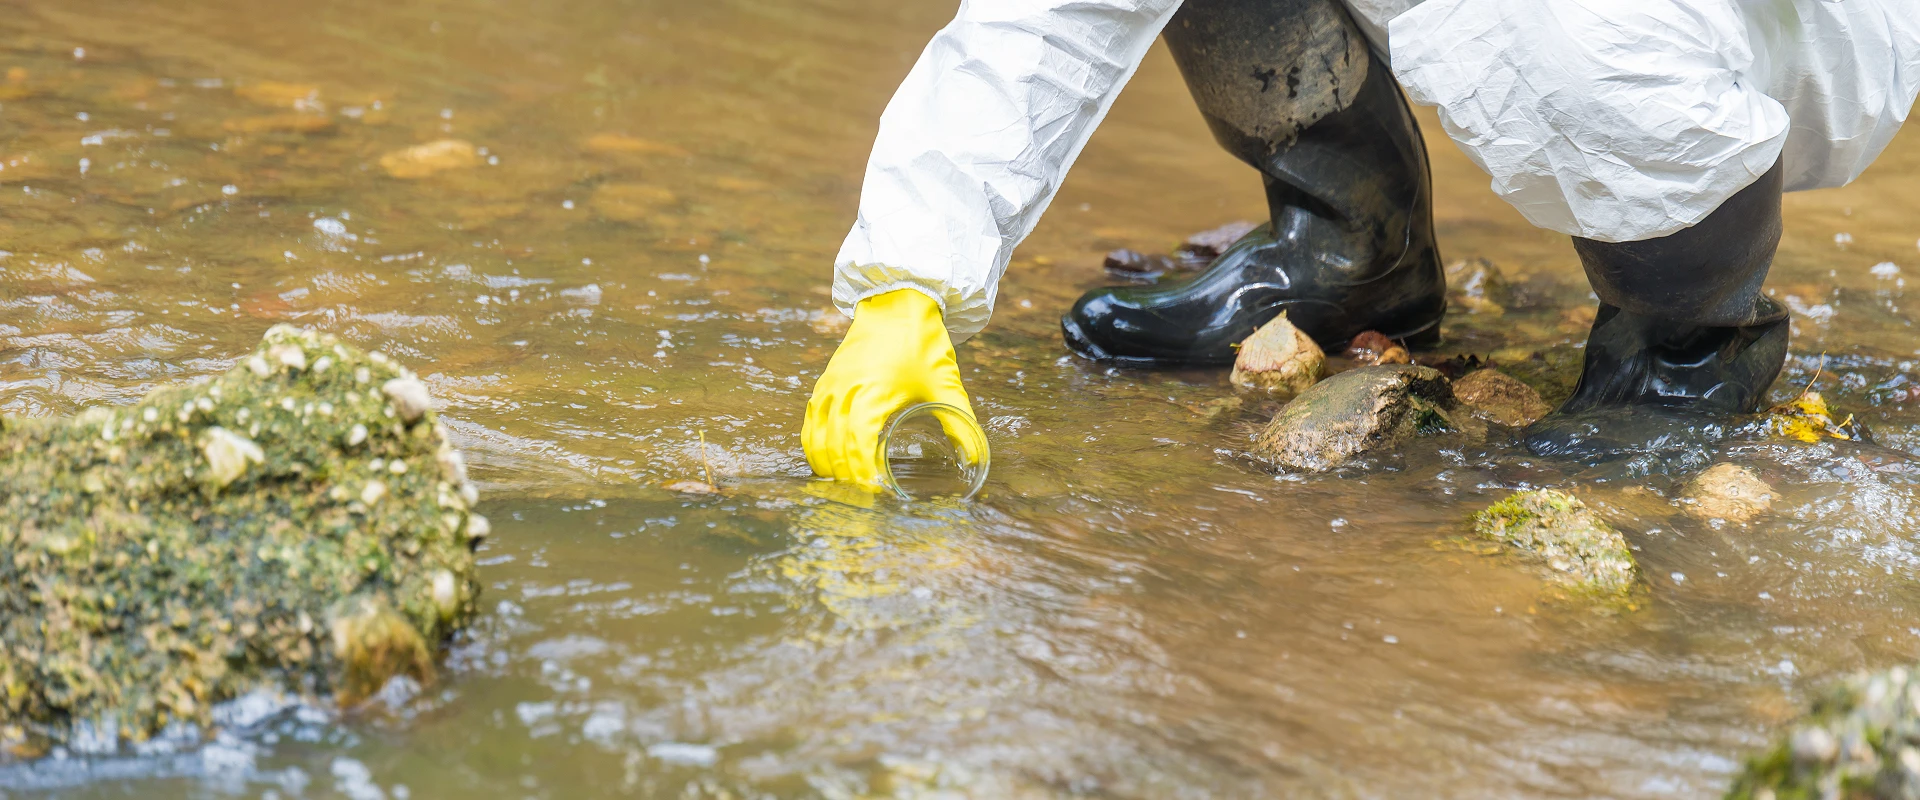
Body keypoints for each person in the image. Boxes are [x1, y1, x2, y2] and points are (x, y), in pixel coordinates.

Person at [803, 0, 1920, 485]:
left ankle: (1689, 343)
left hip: (1738, 41)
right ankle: (1349, 254)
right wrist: (911, 277)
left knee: (1587, 44)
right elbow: (1042, 24)